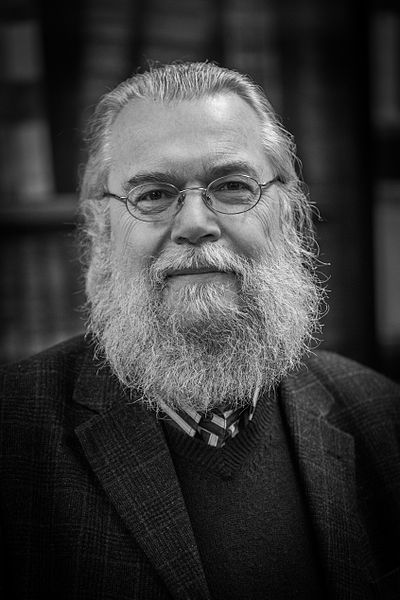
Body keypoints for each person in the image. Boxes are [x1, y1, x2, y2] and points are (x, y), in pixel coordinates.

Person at [1, 61, 399, 600]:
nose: (194, 224)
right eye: (153, 195)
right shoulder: (13, 435)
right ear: (101, 230)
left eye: (233, 187)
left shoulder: (381, 416)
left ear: (286, 215)